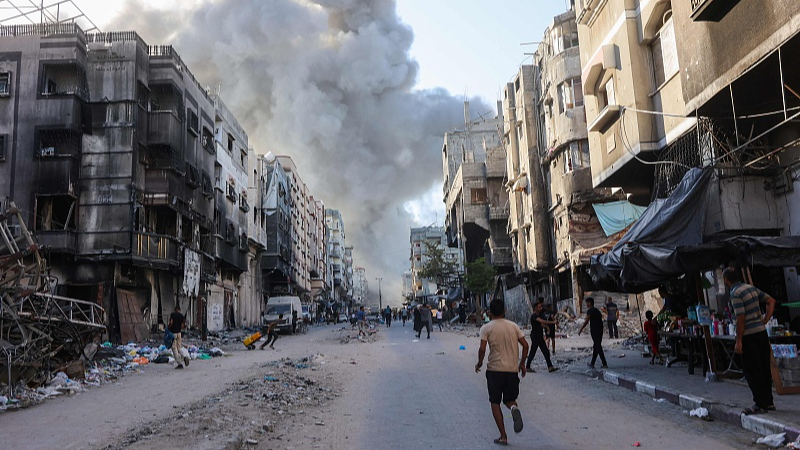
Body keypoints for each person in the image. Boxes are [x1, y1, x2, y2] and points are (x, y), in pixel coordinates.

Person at [475, 299, 529, 446]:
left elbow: (482, 349)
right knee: (509, 399)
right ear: (504, 311)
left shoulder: (486, 328)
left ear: (490, 312)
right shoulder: (514, 326)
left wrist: (479, 363)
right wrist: (522, 363)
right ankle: (513, 408)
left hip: (495, 370)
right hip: (511, 370)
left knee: (495, 401)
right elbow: (525, 345)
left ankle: (503, 436)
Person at [724, 267, 777, 415]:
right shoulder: (750, 288)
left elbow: (740, 319)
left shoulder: (735, 294)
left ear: (726, 280)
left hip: (749, 336)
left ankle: (760, 403)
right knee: (764, 367)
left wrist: (739, 340)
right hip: (761, 333)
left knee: (752, 370)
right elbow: (771, 300)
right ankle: (769, 402)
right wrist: (765, 319)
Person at [525, 302, 558, 373]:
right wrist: (552, 322)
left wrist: (546, 327)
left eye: (541, 307)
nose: (541, 308)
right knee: (533, 351)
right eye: (539, 307)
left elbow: (540, 324)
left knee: (545, 351)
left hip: (539, 336)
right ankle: (527, 367)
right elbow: (541, 321)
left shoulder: (537, 315)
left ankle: (550, 367)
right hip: (535, 336)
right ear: (535, 308)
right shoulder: (534, 315)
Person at [578, 297, 608, 369]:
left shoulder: (590, 311)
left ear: (590, 303)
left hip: (595, 331)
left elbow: (586, 321)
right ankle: (592, 363)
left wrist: (581, 329)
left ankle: (604, 363)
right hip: (600, 330)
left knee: (598, 346)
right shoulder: (597, 310)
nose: (586, 305)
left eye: (587, 303)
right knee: (596, 346)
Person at [168, 305, 190, 369]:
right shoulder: (181, 316)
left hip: (173, 333)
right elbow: (184, 324)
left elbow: (171, 322)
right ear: (179, 310)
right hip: (179, 333)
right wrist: (180, 328)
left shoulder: (173, 314)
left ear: (175, 309)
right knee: (179, 347)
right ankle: (185, 356)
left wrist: (168, 328)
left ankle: (179, 364)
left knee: (174, 348)